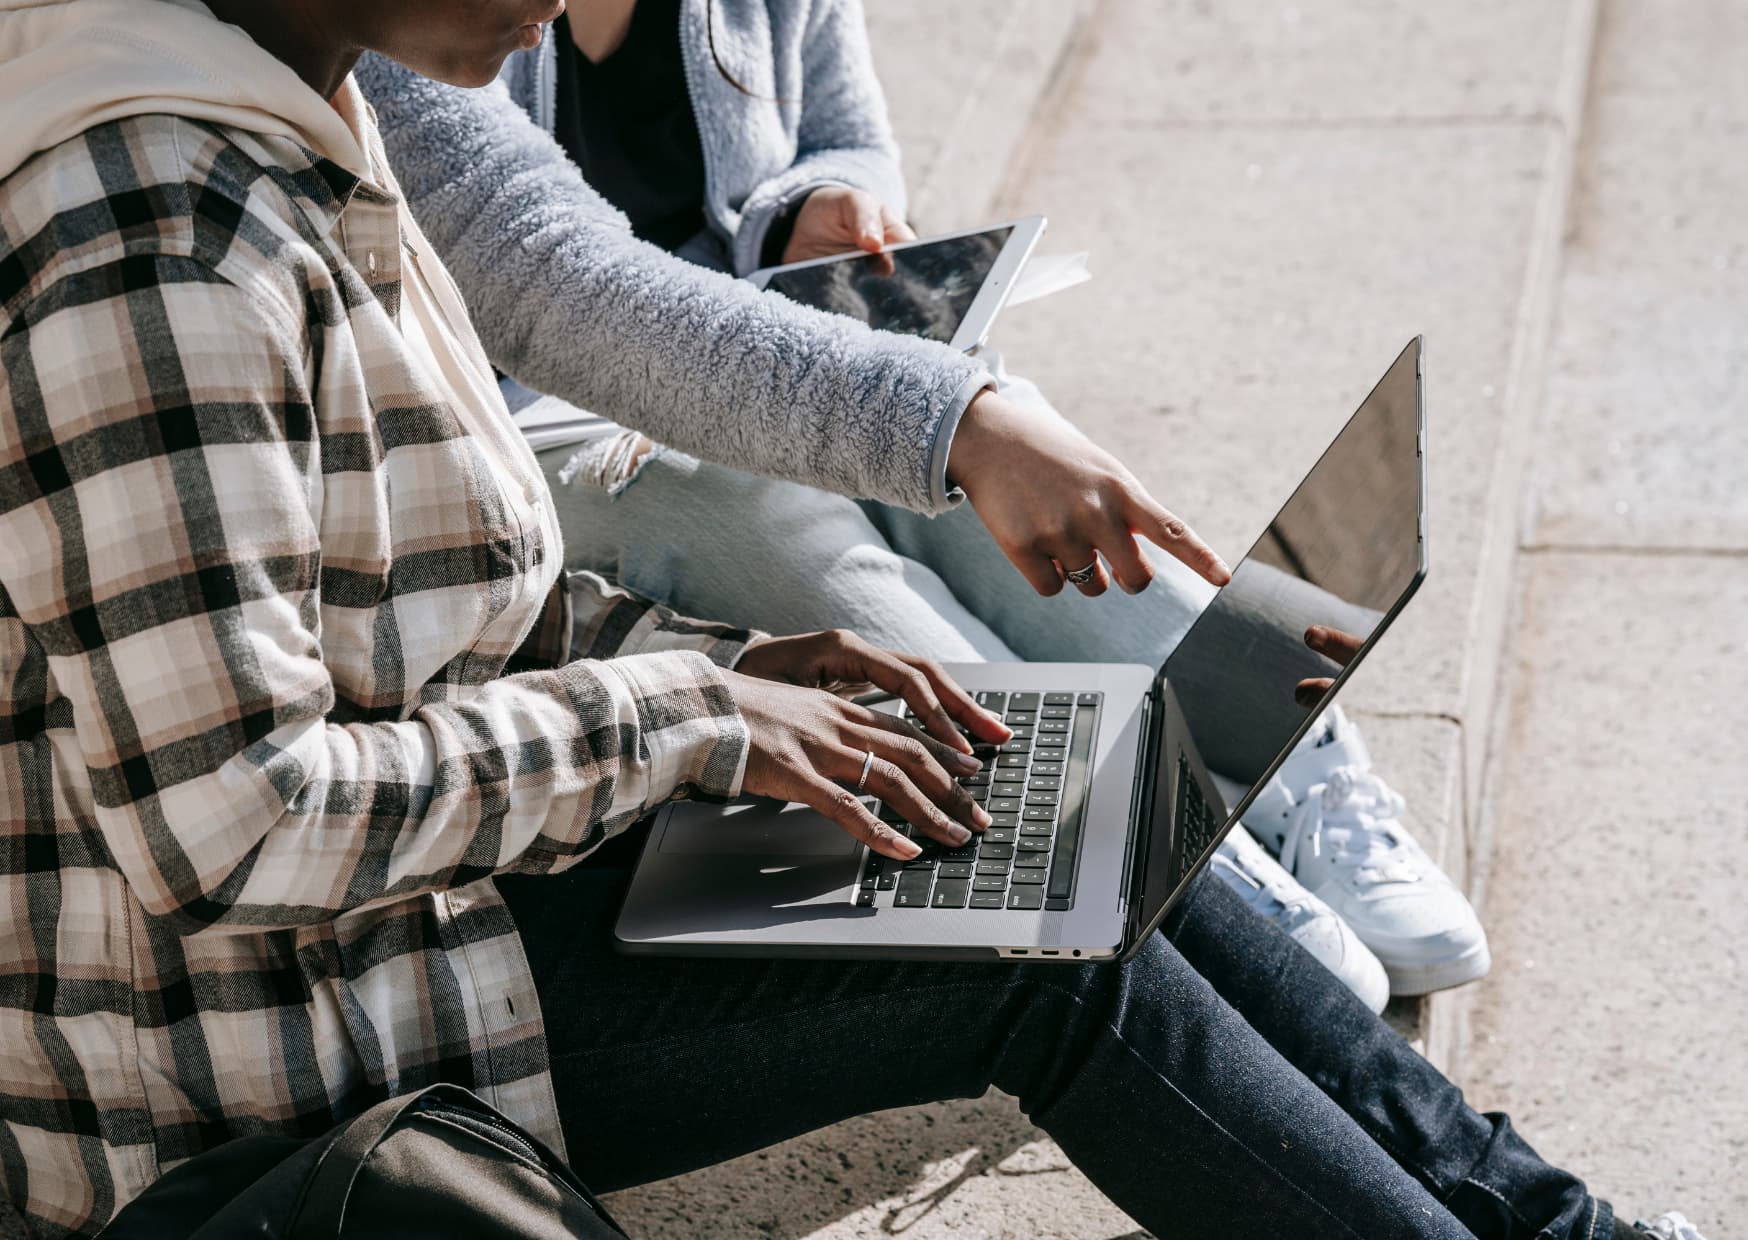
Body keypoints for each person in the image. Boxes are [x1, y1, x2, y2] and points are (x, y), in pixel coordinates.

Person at [0, 4, 1714, 1240]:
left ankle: (1545, 1222)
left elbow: (420, 610)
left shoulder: (303, 104)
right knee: (1056, 969)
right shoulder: (160, 240)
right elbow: (230, 823)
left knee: (1075, 800)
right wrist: (694, 720)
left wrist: (726, 670)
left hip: (451, 894)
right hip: (286, 1031)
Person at [354, 0, 1486, 1009]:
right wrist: (951, 420)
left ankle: (1281, 763)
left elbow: (847, 131)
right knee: (776, 507)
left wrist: (814, 208)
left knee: (981, 459)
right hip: (515, 426)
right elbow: (550, 281)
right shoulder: (412, 19)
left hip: (746, 325)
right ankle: (1135, 836)